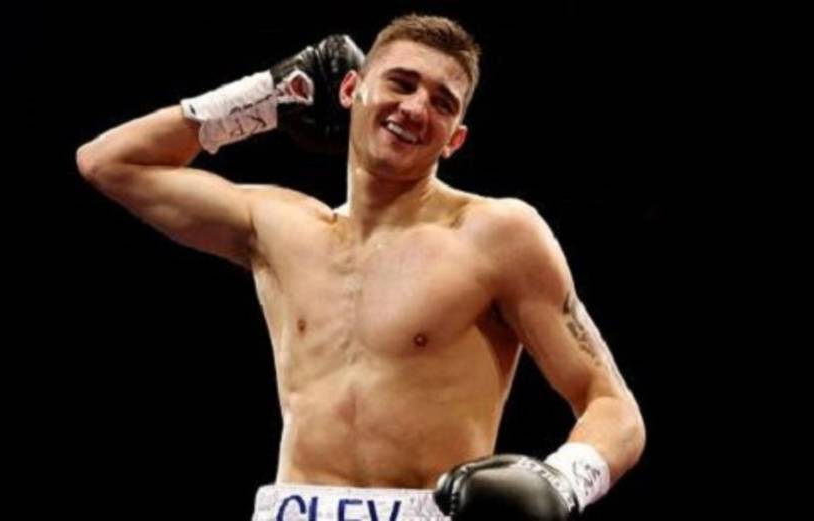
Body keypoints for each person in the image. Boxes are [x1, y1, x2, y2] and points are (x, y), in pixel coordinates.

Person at [76, 14, 645, 521]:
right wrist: (270, 95)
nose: (416, 108)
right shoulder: (280, 225)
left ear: (455, 140)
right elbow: (108, 162)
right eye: (401, 82)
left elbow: (613, 406)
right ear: (351, 89)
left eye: (443, 103)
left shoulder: (496, 235)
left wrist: (563, 481)